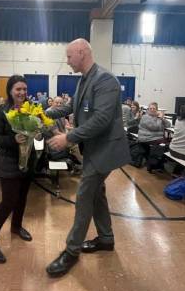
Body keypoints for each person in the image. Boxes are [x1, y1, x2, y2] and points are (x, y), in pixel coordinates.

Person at [45, 38, 130, 277]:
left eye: (69, 56)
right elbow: (70, 108)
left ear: (82, 52)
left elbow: (101, 120)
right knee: (97, 193)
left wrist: (69, 138)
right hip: (94, 148)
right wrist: (41, 113)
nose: (67, 61)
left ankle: (71, 251)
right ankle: (106, 238)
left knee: (84, 196)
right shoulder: (84, 79)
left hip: (105, 149)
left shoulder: (105, 80)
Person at [0, 75, 34, 264]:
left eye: (24, 89)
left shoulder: (30, 109)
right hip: (9, 163)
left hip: (27, 161)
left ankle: (16, 226)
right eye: (18, 89)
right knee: (8, 202)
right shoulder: (2, 112)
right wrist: (14, 140)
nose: (22, 93)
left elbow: (36, 127)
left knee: (22, 198)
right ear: (10, 91)